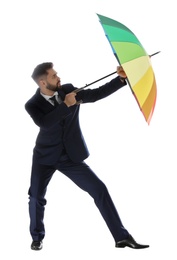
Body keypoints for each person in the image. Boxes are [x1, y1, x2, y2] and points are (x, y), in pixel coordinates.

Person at [25, 62, 149, 251]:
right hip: (44, 157)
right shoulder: (32, 105)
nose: (59, 77)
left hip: (70, 157)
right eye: (53, 76)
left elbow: (95, 94)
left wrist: (121, 78)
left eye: (57, 74)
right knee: (36, 197)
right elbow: (45, 123)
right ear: (42, 82)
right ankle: (37, 237)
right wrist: (66, 105)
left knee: (99, 189)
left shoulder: (67, 90)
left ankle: (121, 237)